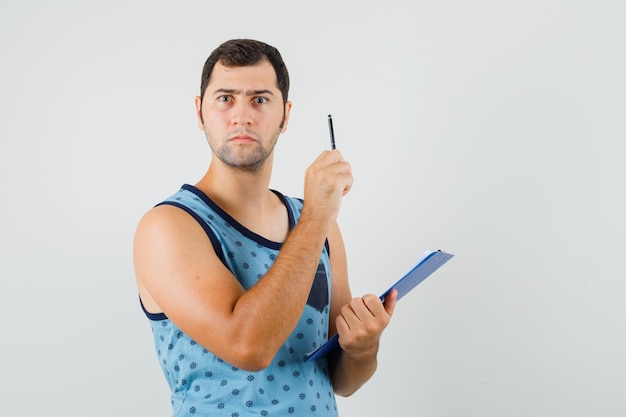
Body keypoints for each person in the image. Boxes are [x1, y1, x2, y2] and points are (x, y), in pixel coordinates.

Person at [133, 38, 397, 417]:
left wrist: (363, 348)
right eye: (225, 98)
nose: (242, 116)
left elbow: (341, 379)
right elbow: (249, 347)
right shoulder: (168, 226)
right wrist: (318, 215)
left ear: (285, 115)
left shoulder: (315, 224)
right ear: (199, 111)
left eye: (260, 99)